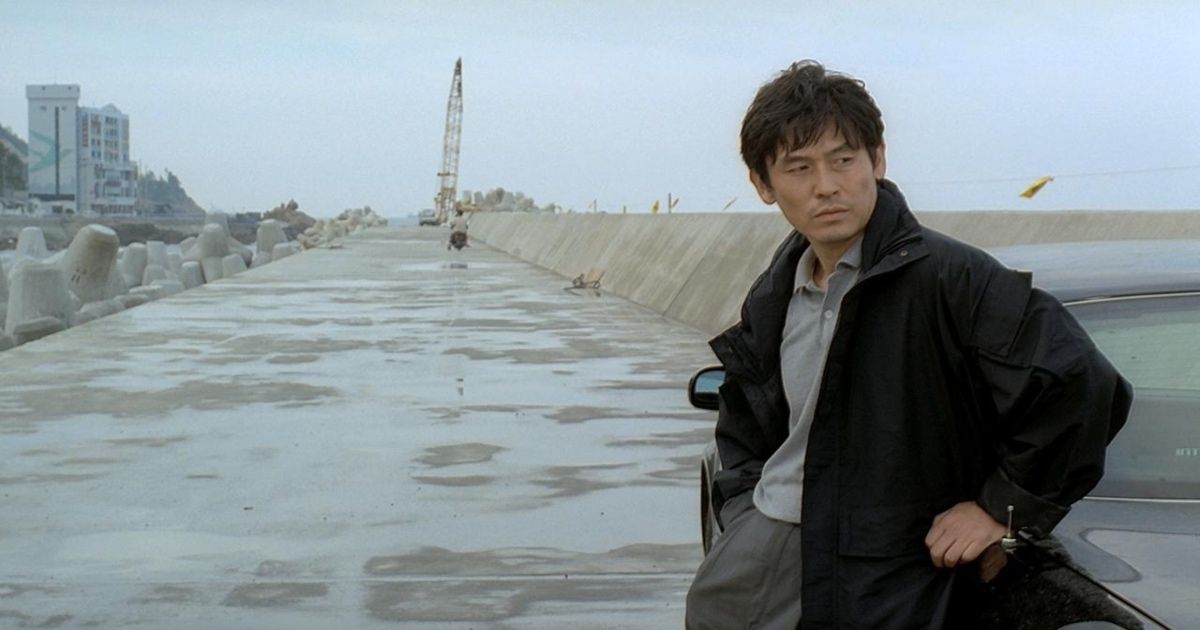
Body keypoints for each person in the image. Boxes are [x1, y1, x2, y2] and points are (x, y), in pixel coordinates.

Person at [684, 60, 1132, 629]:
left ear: (878, 159)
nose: (826, 185)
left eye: (844, 159)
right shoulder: (778, 289)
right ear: (764, 186)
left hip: (890, 575)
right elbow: (745, 418)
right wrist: (745, 510)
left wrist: (1001, 508)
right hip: (765, 553)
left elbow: (1081, 385)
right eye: (798, 168)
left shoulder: (952, 278)